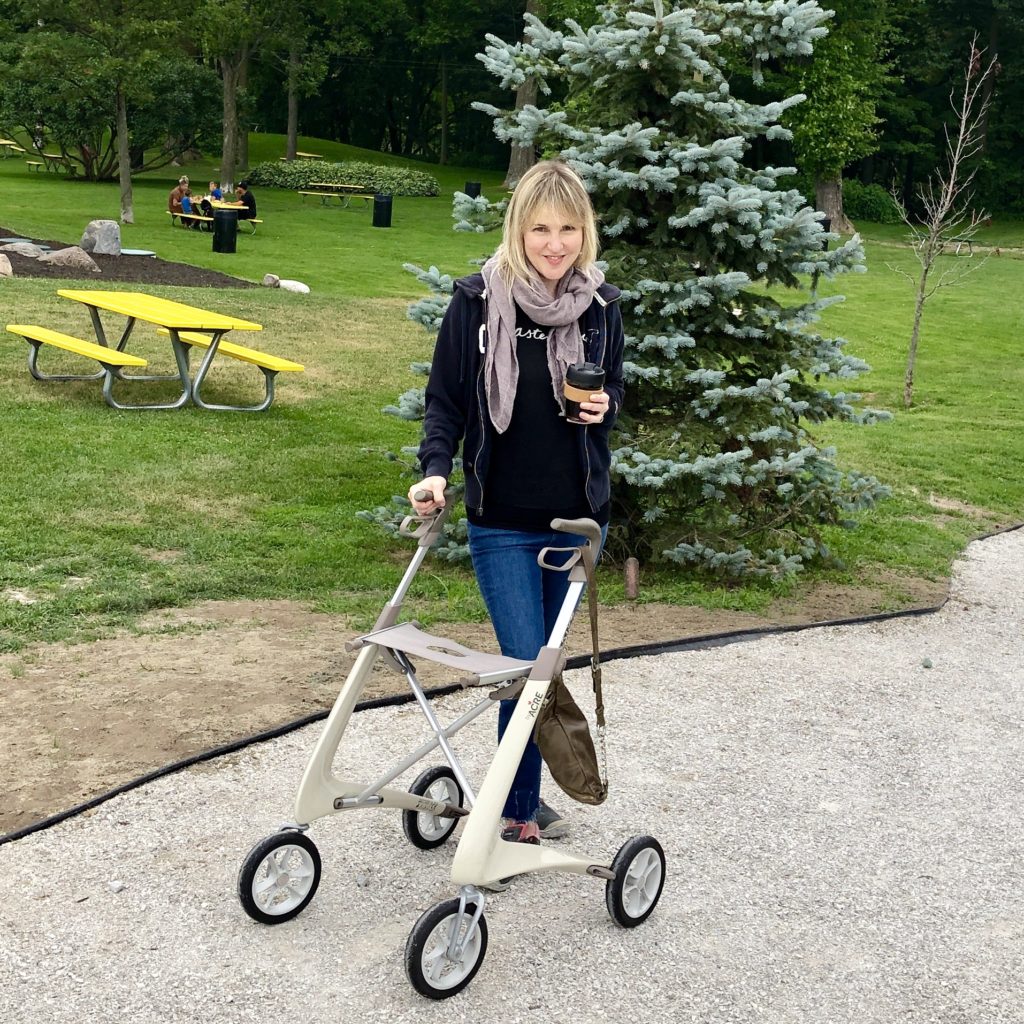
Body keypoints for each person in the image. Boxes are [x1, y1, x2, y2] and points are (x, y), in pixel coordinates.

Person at [408, 160, 624, 872]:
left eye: (568, 230)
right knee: (527, 670)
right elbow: (444, 399)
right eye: (541, 229)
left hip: (575, 525)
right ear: (519, 229)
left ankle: (518, 804)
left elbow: (613, 392)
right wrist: (435, 471)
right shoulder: (476, 302)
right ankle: (517, 811)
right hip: (501, 520)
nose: (555, 245)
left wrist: (603, 407)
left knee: (539, 671)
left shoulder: (601, 308)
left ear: (583, 232)